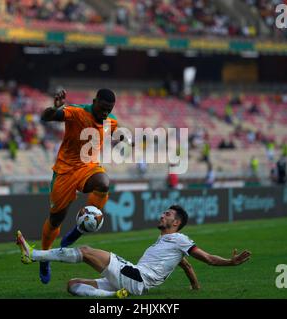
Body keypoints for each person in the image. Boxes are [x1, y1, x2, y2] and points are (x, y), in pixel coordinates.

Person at [16, 205, 251, 297]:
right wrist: (196, 287)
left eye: (168, 214)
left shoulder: (180, 239)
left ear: (177, 223)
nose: (162, 215)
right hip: (133, 282)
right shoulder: (168, 246)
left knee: (86, 250)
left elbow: (207, 258)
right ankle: (114, 297)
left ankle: (33, 255)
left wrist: (231, 263)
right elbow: (186, 265)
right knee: (73, 285)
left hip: (137, 277)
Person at [38, 88, 119, 284]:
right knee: (56, 219)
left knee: (103, 183)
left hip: (88, 167)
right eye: (102, 108)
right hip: (65, 171)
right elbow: (47, 116)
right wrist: (54, 107)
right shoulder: (76, 112)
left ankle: (79, 229)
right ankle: (44, 257)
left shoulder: (111, 122)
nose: (105, 113)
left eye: (109, 109)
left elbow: (110, 135)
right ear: (94, 101)